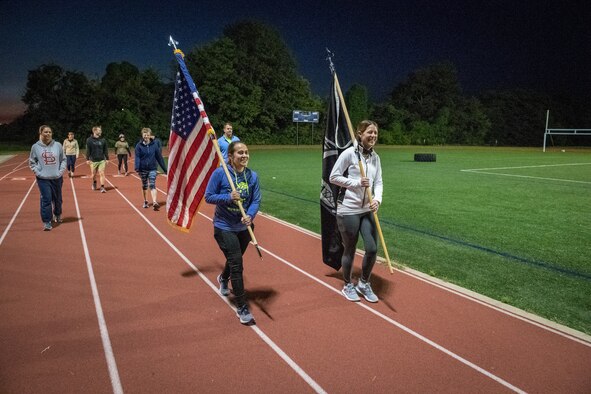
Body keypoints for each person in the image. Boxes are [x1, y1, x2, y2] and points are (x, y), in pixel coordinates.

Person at [205, 141, 261, 324]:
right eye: (240, 153)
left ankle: (223, 277)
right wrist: (228, 196)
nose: (244, 155)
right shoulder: (220, 173)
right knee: (237, 263)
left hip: (244, 228)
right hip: (224, 227)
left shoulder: (252, 176)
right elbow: (209, 196)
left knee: (233, 259)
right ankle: (242, 307)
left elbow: (255, 200)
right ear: (230, 156)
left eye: (246, 152)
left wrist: (250, 215)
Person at [329, 120, 383, 303]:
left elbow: (379, 182)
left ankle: (363, 283)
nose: (373, 136)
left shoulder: (376, 157)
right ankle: (347, 285)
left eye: (375, 133)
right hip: (348, 209)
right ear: (360, 134)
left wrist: (377, 199)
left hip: (367, 209)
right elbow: (333, 177)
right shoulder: (349, 154)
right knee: (350, 249)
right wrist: (357, 183)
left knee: (372, 248)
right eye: (370, 132)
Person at [29, 125, 67, 231]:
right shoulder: (35, 147)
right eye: (45, 132)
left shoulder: (58, 145)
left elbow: (63, 159)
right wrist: (39, 173)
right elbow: (32, 162)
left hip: (57, 178)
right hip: (43, 179)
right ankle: (47, 221)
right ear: (40, 133)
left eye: (50, 132)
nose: (48, 134)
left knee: (58, 199)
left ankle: (57, 214)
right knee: (46, 199)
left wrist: (60, 172)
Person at [134, 127, 167, 210]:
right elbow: (137, 157)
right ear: (142, 135)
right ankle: (145, 201)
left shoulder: (154, 145)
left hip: (152, 168)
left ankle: (155, 202)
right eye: (144, 135)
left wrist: (165, 169)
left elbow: (159, 158)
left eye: (148, 135)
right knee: (144, 186)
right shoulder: (138, 146)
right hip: (142, 169)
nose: (146, 136)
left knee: (152, 184)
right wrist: (137, 167)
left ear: (150, 135)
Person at [86, 126, 109, 193]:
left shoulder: (103, 140)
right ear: (95, 131)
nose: (101, 131)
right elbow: (88, 150)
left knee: (102, 173)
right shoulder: (89, 140)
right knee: (93, 174)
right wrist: (87, 159)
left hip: (101, 160)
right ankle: (94, 182)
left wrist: (107, 159)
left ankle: (102, 187)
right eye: (99, 130)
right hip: (93, 160)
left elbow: (105, 150)